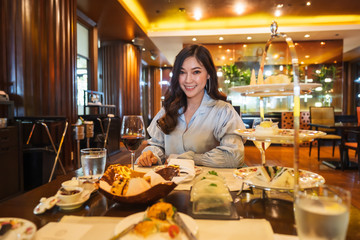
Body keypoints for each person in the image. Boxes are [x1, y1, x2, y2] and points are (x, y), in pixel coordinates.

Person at [137, 44, 246, 168]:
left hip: (209, 184)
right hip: (171, 185)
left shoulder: (223, 111)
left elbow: (234, 156)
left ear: (209, 74)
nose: (188, 80)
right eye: (182, 72)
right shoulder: (168, 109)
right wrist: (151, 154)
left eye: (196, 72)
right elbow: (157, 145)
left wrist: (191, 158)